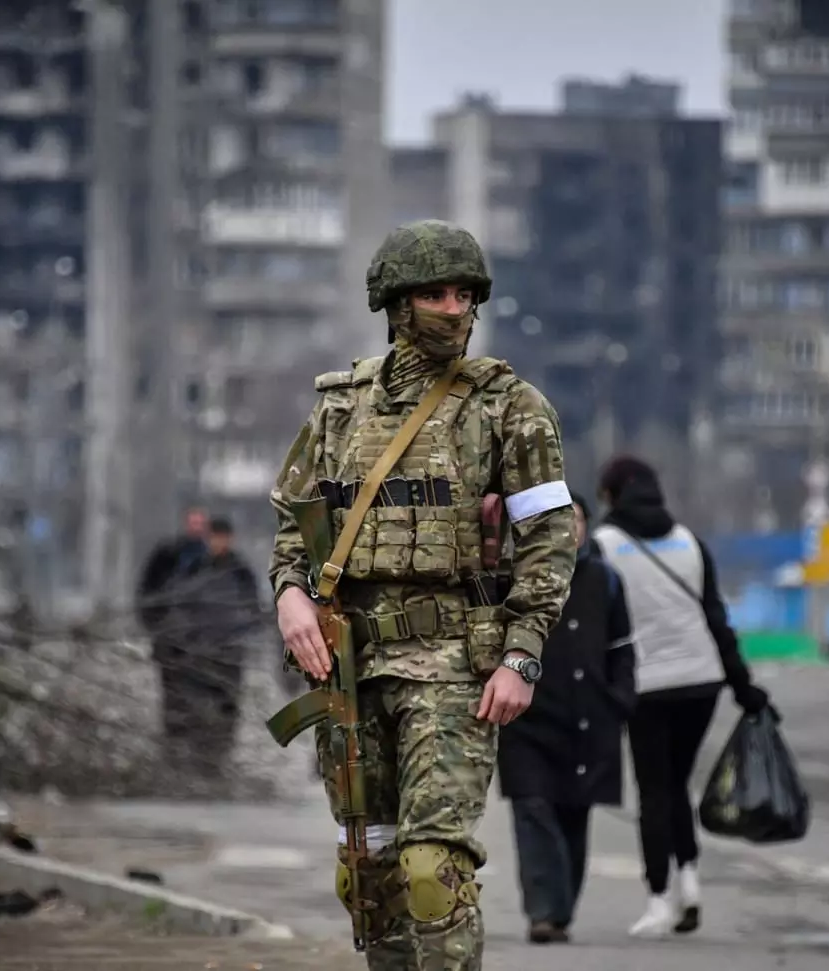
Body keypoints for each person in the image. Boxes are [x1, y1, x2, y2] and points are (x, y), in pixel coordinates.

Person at [269, 218, 577, 969]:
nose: (454, 307)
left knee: (431, 872)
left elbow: (550, 538)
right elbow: (293, 523)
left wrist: (522, 654)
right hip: (351, 667)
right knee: (367, 872)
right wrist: (290, 594)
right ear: (397, 304)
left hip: (451, 667)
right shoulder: (342, 406)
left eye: (465, 293)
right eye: (435, 293)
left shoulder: (509, 406)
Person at [591, 455, 772, 938]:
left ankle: (658, 898)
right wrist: (744, 688)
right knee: (677, 787)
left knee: (654, 791)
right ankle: (689, 884)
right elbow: (717, 620)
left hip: (645, 685)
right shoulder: (690, 542)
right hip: (701, 682)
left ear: (610, 495)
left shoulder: (604, 546)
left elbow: (596, 623)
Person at [497, 492, 636, 945]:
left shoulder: (606, 581)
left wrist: (619, 701)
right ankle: (543, 912)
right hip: (528, 720)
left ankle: (560, 911)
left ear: (587, 527)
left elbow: (622, 650)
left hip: (588, 721)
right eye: (559, 521)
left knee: (574, 816)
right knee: (533, 808)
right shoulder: (516, 577)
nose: (568, 529)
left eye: (575, 520)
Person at [160, 516, 264, 782]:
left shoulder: (240, 570)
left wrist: (239, 636)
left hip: (229, 653)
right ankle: (197, 759)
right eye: (214, 537)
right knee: (195, 705)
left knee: (227, 705)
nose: (219, 542)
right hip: (198, 651)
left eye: (223, 537)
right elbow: (180, 604)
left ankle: (218, 759)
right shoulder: (194, 569)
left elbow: (254, 609)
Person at [136, 507, 211, 765]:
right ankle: (175, 751)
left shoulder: (213, 558)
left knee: (201, 696)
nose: (197, 527)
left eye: (201, 522)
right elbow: (147, 592)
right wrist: (155, 625)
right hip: (171, 641)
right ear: (185, 523)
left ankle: (200, 753)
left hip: (203, 645)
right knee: (173, 697)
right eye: (193, 522)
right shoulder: (167, 555)